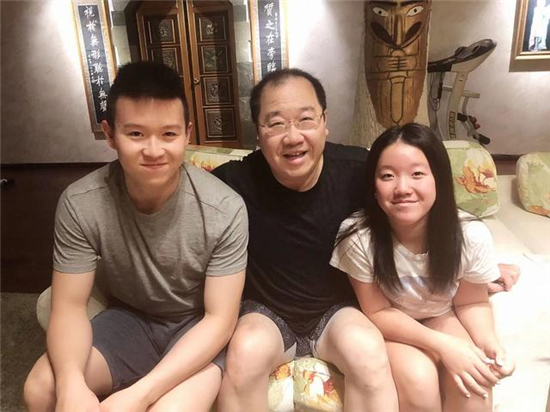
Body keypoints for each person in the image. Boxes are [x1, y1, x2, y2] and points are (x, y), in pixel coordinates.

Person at [23, 61, 248, 412]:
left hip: (197, 329)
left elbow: (219, 320)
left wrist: (139, 395)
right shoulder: (81, 202)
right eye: (136, 134)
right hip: (130, 321)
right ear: (110, 134)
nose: (154, 150)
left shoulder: (224, 208)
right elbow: (69, 306)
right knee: (41, 389)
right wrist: (70, 386)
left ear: (187, 134)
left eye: (169, 134)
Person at [212, 68, 399, 412]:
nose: (293, 136)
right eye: (276, 123)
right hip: (266, 314)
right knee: (245, 352)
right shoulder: (232, 182)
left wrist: (468, 266)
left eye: (305, 120)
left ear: (324, 122)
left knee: (368, 351)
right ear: (259, 132)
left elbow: (417, 205)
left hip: (337, 312)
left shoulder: (359, 170)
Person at [331, 123, 515, 412]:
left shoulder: (469, 234)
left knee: (474, 385)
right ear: (374, 187)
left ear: (438, 179)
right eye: (387, 176)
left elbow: (471, 301)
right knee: (419, 381)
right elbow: (377, 311)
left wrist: (490, 344)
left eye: (417, 174)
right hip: (393, 322)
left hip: (441, 313)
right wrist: (443, 346)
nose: (403, 188)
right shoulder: (358, 237)